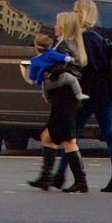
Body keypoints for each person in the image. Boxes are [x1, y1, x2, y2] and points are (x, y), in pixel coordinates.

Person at [23, 15, 88, 193]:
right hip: (64, 97)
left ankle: (80, 180)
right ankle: (46, 177)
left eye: (57, 23)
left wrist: (46, 74)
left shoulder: (65, 45)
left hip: (64, 98)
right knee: (47, 136)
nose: (54, 26)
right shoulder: (64, 44)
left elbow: (63, 70)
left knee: (68, 140)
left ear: (64, 26)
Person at [71, 5, 112, 193]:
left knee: (72, 132)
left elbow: (91, 68)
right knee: (109, 131)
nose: (73, 14)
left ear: (83, 14)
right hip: (108, 89)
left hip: (95, 91)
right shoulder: (99, 34)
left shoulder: (87, 37)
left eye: (76, 10)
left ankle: (64, 175)